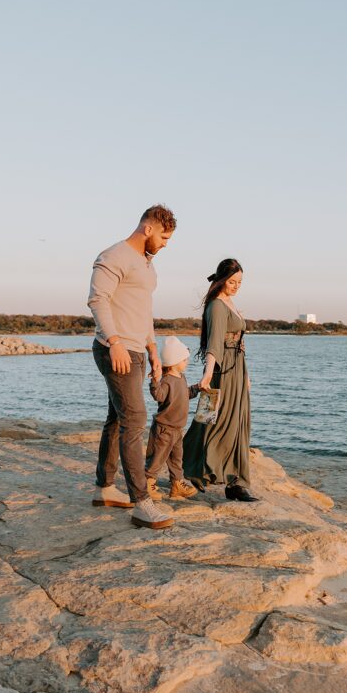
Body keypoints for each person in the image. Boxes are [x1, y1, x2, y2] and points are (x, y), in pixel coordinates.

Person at [87, 204, 176, 529]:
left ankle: (105, 488)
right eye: (164, 237)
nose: (166, 243)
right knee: (135, 419)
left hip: (138, 350)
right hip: (116, 351)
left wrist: (153, 349)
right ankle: (141, 503)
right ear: (148, 229)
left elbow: (143, 310)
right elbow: (98, 300)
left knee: (117, 418)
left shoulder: (147, 265)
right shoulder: (113, 256)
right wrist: (115, 342)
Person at [183, 258, 258, 501]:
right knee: (211, 419)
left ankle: (235, 481)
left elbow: (237, 341)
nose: (236, 286)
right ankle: (193, 468)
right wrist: (207, 374)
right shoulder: (216, 305)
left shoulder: (230, 302)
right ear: (221, 279)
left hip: (236, 369)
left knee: (236, 422)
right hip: (221, 370)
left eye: (240, 282)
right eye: (232, 281)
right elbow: (214, 343)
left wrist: (245, 375)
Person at [145, 336, 200, 501]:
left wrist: (197, 388)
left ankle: (176, 484)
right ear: (175, 362)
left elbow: (185, 395)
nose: (187, 362)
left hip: (177, 429)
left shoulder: (181, 378)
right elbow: (159, 396)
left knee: (177, 459)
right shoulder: (167, 380)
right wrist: (155, 381)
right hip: (164, 428)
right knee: (157, 457)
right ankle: (148, 483)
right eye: (184, 360)